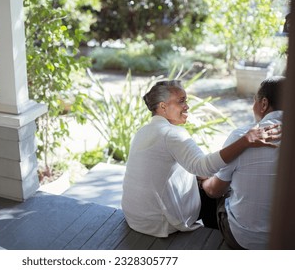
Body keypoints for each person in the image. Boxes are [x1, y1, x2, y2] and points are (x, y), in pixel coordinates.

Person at [121, 79, 280, 238]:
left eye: (186, 100)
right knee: (214, 191)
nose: (187, 106)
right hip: (160, 223)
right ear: (163, 106)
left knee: (210, 181)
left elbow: (194, 167)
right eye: (181, 101)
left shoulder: (144, 130)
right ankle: (214, 240)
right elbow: (203, 167)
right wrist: (246, 140)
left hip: (136, 218)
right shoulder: (172, 134)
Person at [201, 76, 284, 249]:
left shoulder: (243, 136)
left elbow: (214, 191)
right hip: (286, 240)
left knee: (210, 184)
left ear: (263, 104)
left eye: (254, 101)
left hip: (245, 239)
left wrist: (203, 181)